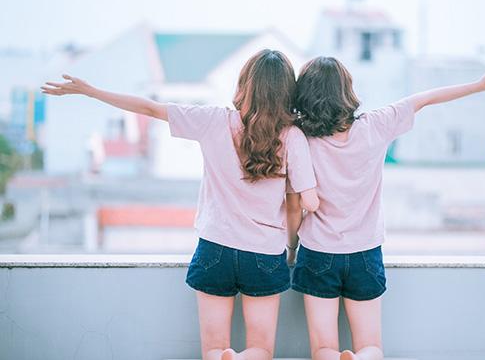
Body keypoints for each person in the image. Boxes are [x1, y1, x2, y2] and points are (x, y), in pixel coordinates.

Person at [42, 49, 319, 360]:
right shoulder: (293, 137)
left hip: (215, 247)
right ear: (287, 92)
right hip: (265, 253)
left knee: (213, 348)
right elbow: (296, 205)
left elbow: (148, 108)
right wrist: (292, 249)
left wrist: (91, 92)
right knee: (261, 349)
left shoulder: (213, 121)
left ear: (245, 84)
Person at [288, 57, 485, 360]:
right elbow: (425, 99)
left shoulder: (301, 138)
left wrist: (291, 248)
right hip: (365, 252)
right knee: (372, 345)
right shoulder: (376, 125)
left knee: (323, 348)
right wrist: (481, 85)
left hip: (318, 251)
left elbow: (294, 203)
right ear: (347, 91)